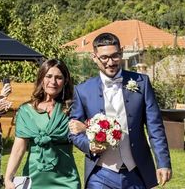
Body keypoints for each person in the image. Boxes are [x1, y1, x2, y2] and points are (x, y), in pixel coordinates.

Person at [70, 32, 172, 189]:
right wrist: (89, 145)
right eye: (104, 57)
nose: (110, 62)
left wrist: (163, 162)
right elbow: (74, 132)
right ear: (94, 57)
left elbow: (155, 127)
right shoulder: (82, 90)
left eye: (115, 56)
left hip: (136, 171)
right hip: (100, 173)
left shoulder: (141, 83)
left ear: (122, 52)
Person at [4, 59, 81, 189]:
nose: (53, 82)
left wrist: (84, 128)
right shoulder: (26, 111)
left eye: (58, 78)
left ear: (65, 81)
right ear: (41, 78)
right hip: (34, 178)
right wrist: (8, 178)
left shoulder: (73, 109)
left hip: (67, 179)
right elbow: (18, 148)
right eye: (48, 76)